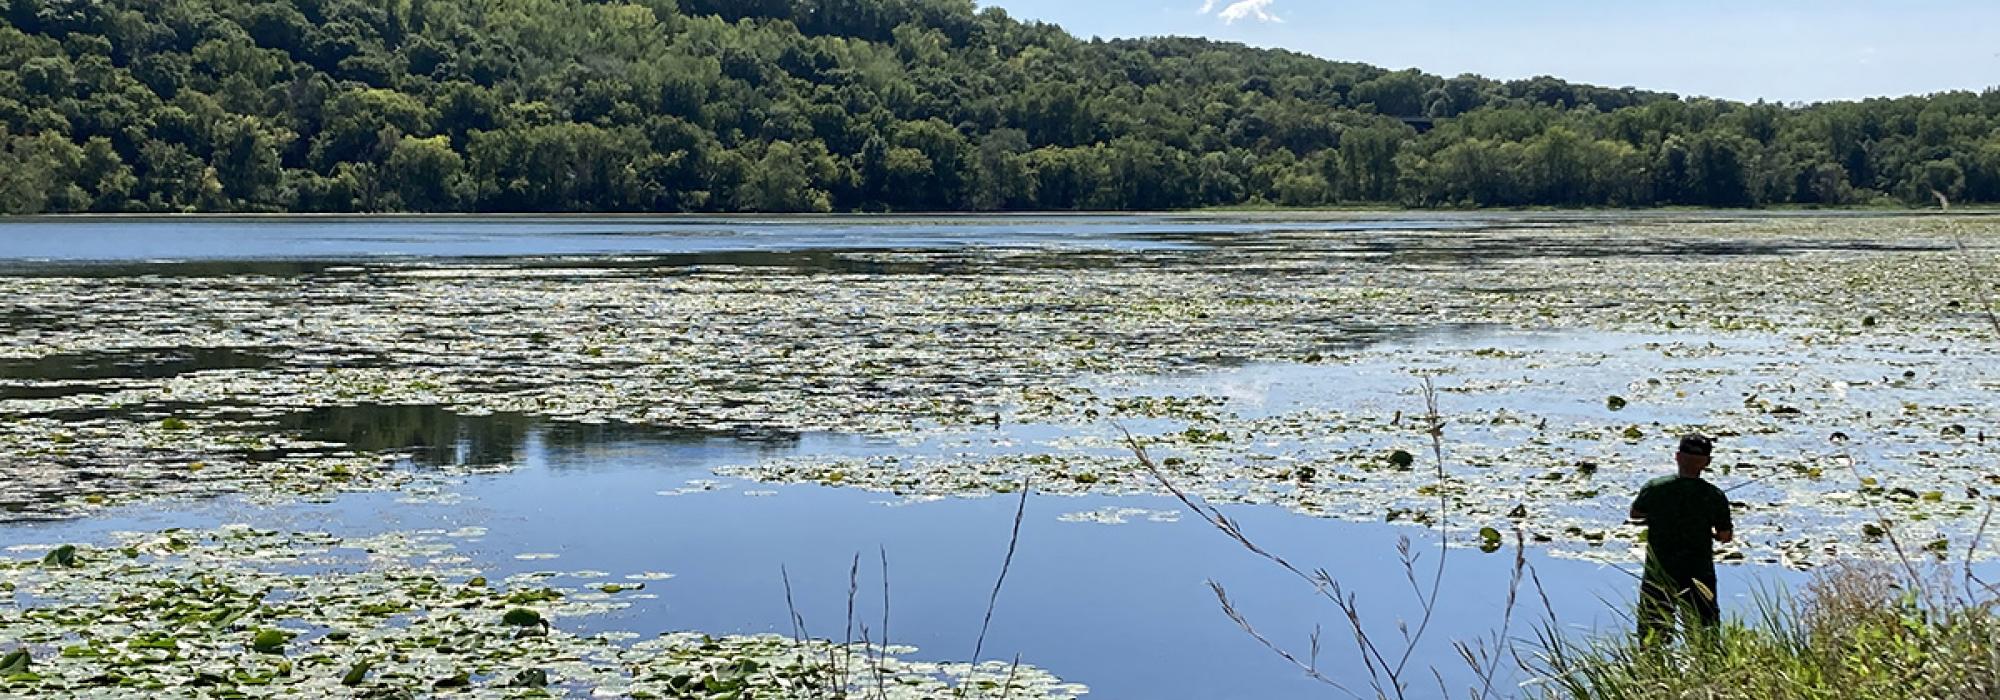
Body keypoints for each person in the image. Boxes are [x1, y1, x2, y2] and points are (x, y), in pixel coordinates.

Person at [1628, 433, 1734, 646]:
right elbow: (1725, 536)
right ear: (1707, 462)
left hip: (1659, 572)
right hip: (1698, 572)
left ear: (1677, 457)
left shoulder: (1655, 488)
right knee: (1704, 635)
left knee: (1652, 636)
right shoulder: (1714, 495)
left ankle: (1652, 674)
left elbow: (1635, 514)